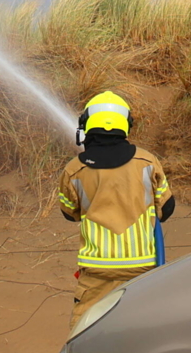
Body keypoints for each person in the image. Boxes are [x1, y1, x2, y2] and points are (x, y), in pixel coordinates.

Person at [59, 91, 175, 331]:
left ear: (87, 125)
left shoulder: (74, 170)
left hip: (96, 273)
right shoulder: (147, 162)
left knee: (85, 334)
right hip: (142, 270)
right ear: (126, 125)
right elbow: (167, 208)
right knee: (141, 332)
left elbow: (69, 213)